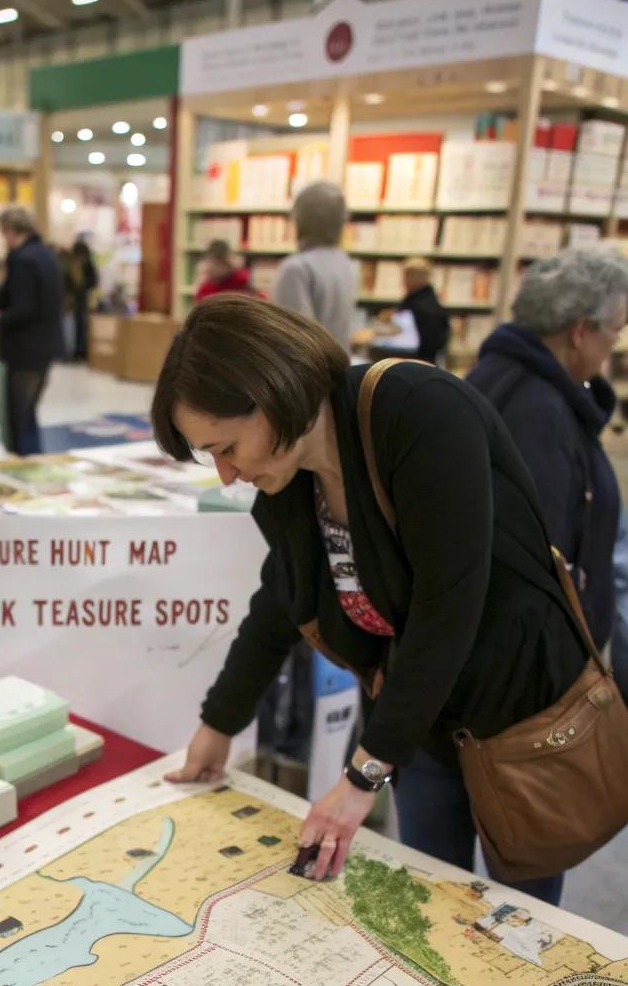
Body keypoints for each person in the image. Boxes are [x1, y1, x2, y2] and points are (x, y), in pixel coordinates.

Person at [152, 294, 593, 905]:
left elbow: (449, 606)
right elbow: (282, 599)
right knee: (435, 902)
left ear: (275, 391)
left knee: (523, 925)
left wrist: (362, 774)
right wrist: (219, 723)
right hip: (422, 719)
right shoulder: (288, 482)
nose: (226, 474)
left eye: (227, 448)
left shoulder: (418, 412)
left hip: (520, 712)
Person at [466, 247, 628, 653]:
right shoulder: (538, 412)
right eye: (616, 328)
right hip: (540, 663)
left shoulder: (504, 376)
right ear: (579, 331)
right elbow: (536, 560)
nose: (616, 342)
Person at [0, 206, 65, 457]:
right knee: (28, 413)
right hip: (46, 345)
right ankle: (33, 463)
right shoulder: (46, 254)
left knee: (19, 418)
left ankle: (26, 467)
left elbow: (24, 306)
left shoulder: (23, 259)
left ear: (10, 231)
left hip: (24, 348)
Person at [271, 180, 354, 351]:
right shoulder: (343, 261)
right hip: (340, 367)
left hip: (312, 374)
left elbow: (293, 342)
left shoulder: (296, 268)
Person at [374, 258, 450, 365]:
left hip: (415, 362)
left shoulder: (419, 306)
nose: (403, 281)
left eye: (405, 276)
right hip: (426, 362)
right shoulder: (428, 301)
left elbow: (405, 337)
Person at [69, 236, 99, 360]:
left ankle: (83, 351)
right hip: (75, 301)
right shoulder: (72, 265)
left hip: (84, 300)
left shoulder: (88, 266)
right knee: (77, 326)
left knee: (84, 326)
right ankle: (77, 351)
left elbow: (92, 282)